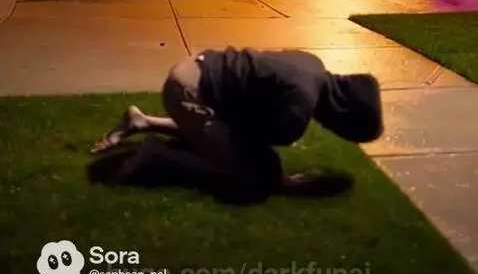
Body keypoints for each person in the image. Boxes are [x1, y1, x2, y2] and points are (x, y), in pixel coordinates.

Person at [90, 47, 383, 203]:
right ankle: (156, 155)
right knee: (251, 175)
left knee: (226, 136)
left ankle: (142, 121)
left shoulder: (313, 64)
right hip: (190, 92)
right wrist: (279, 179)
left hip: (196, 69)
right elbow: (251, 145)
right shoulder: (299, 108)